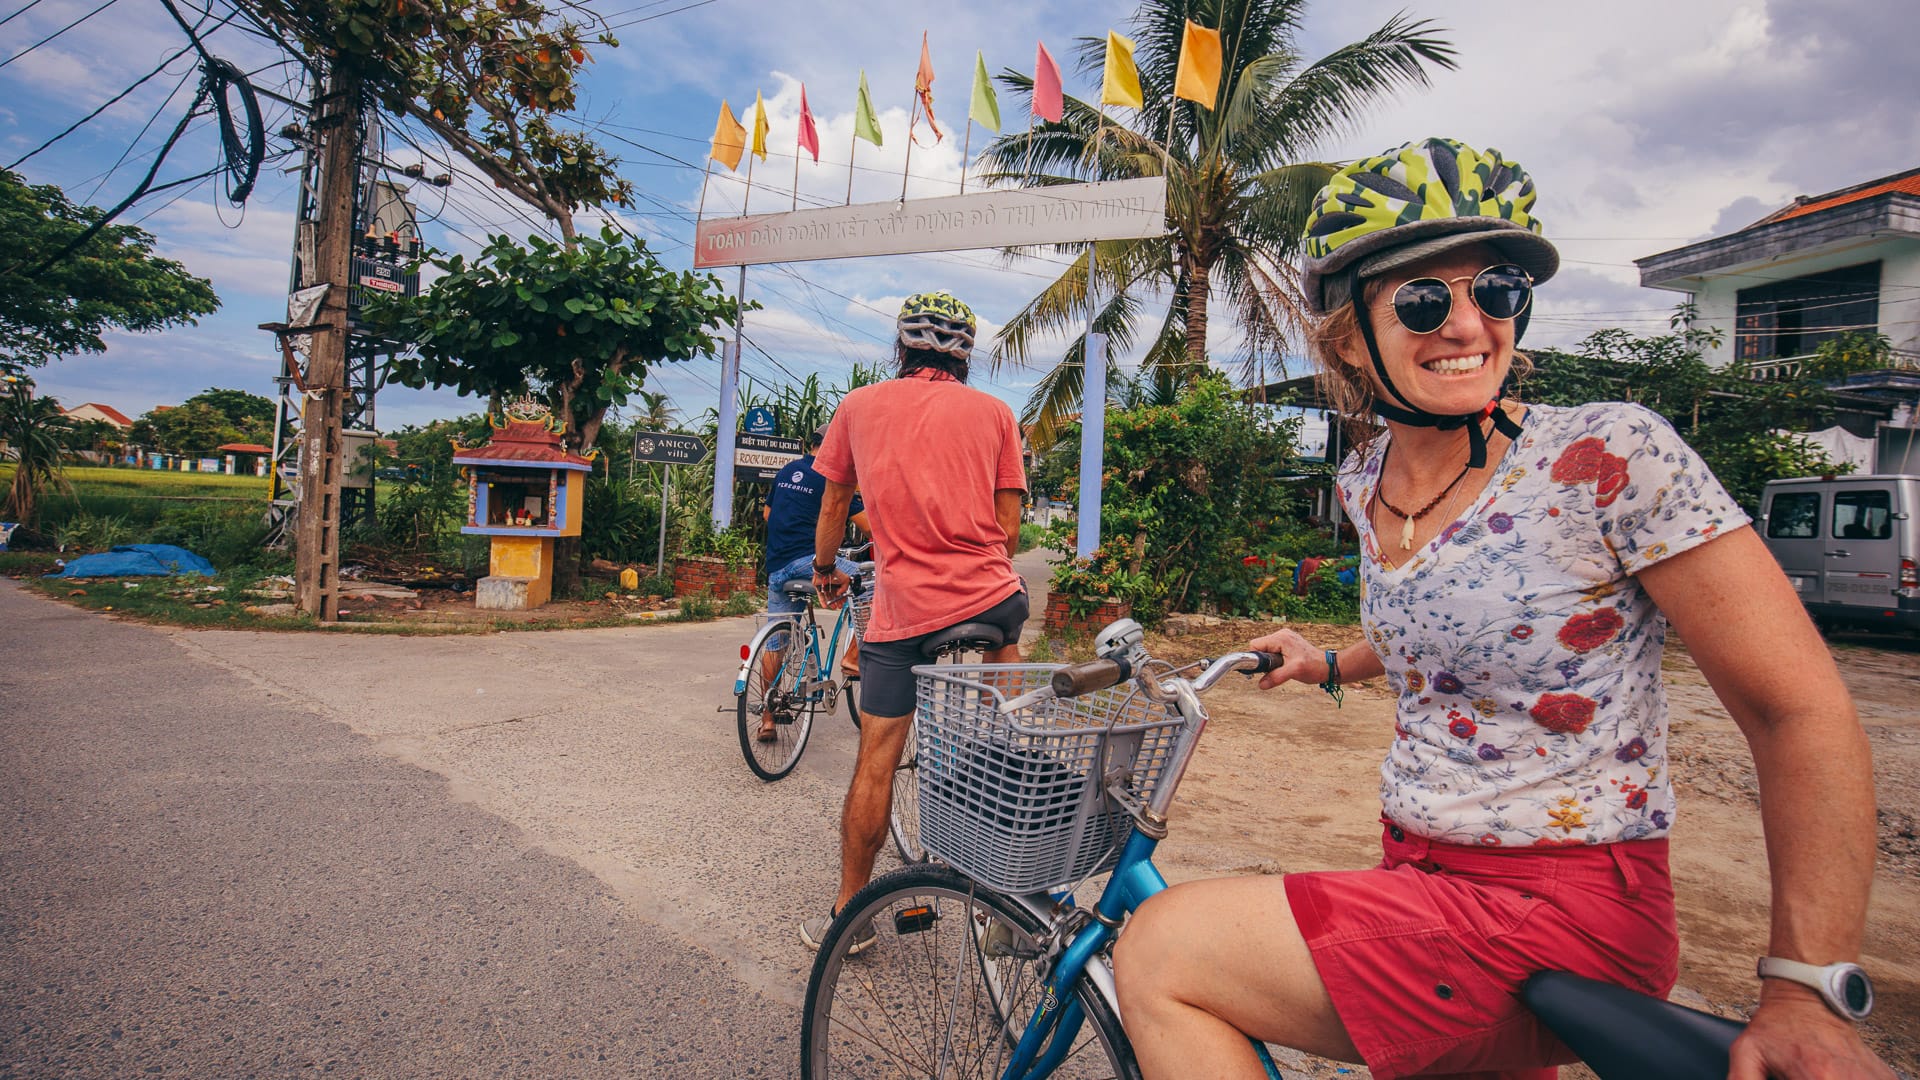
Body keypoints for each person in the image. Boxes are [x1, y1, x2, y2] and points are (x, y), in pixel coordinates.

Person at [1111, 138, 1892, 1080]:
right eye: (1425, 300)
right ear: (1350, 336)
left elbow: (1796, 707)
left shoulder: (1607, 455)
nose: (1468, 325)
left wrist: (1806, 985)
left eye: (1498, 291)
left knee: (1162, 950)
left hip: (1563, 905)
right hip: (1420, 875)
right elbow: (1445, 630)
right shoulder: (1366, 479)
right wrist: (1327, 663)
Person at [799, 290, 1028, 952]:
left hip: (905, 615)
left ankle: (853, 916)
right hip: (992, 602)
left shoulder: (859, 407)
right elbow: (1008, 529)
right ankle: (1004, 904)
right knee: (999, 733)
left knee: (876, 760)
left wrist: (824, 570)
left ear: (902, 346)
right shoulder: (996, 413)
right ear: (965, 354)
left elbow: (835, 506)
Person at [755, 421, 870, 742]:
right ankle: (854, 657)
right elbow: (870, 528)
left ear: (812, 443)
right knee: (868, 576)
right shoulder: (835, 479)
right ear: (838, 448)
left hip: (777, 568)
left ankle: (767, 717)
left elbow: (768, 515)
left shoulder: (786, 471)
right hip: (809, 563)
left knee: (775, 643)